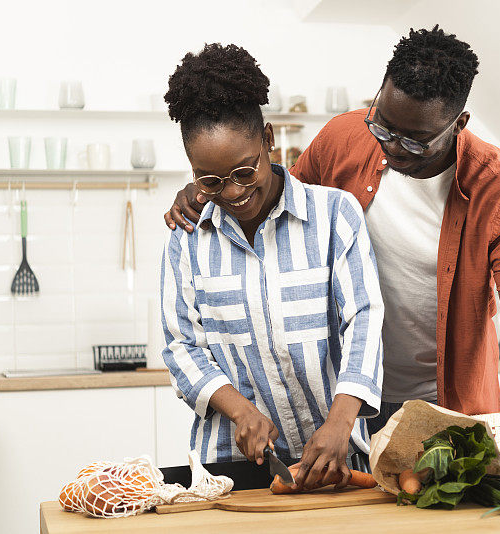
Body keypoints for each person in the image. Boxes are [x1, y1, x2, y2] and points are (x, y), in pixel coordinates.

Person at [164, 27, 500, 482]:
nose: (392, 146)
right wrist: (207, 188)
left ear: (459, 123)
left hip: (440, 401)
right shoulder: (344, 138)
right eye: (383, 126)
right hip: (339, 402)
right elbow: (272, 201)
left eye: (414, 140)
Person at [160, 43, 383, 490]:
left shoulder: (335, 215)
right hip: (230, 469)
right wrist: (240, 411)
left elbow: (364, 320)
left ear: (268, 139)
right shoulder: (188, 239)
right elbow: (182, 346)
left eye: (245, 171)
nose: (233, 192)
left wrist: (341, 423)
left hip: (336, 460)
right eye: (211, 180)